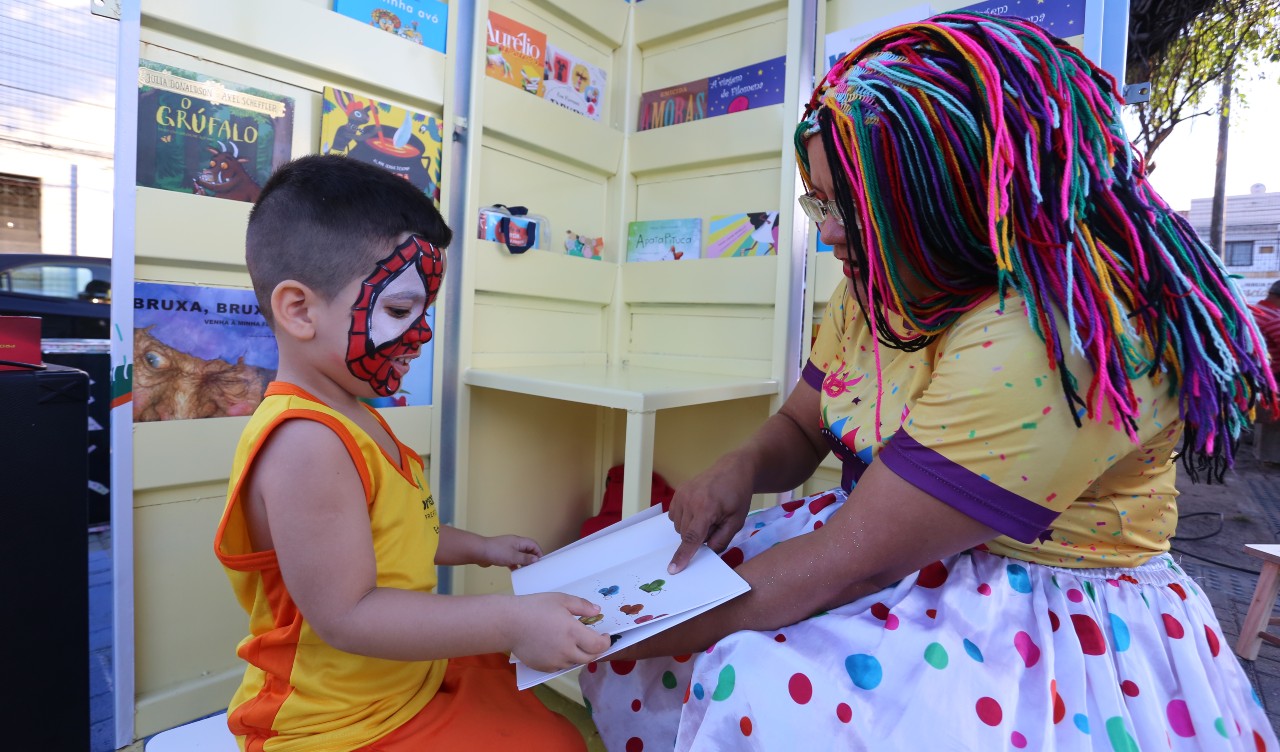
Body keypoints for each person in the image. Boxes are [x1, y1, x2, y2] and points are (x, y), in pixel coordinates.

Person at [581, 13, 1279, 751]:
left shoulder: (1052, 334)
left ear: (954, 187)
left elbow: (852, 565)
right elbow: (800, 425)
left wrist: (622, 631)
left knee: (755, 689)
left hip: (1035, 620)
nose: (827, 232)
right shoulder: (885, 276)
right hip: (882, 550)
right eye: (817, 201)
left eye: (847, 204)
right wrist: (743, 466)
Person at [213, 154, 610, 751]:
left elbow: (395, 535)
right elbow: (349, 613)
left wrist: (479, 548)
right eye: (399, 310)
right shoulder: (305, 443)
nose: (421, 334)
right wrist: (508, 620)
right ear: (298, 310)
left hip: (407, 681)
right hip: (337, 727)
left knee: (550, 726)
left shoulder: (357, 413)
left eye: (424, 311)